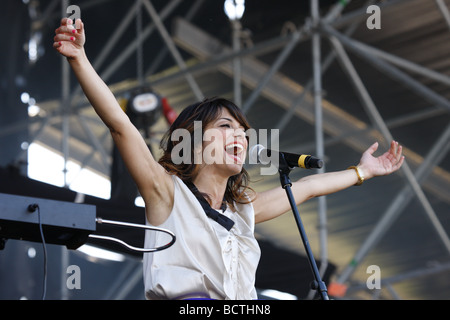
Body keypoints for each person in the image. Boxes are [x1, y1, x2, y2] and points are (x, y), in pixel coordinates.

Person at [53, 18, 404, 300]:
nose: (239, 135)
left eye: (243, 130)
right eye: (225, 126)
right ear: (192, 141)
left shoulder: (242, 213)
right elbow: (120, 126)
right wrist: (79, 59)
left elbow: (308, 187)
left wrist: (363, 171)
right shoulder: (167, 193)